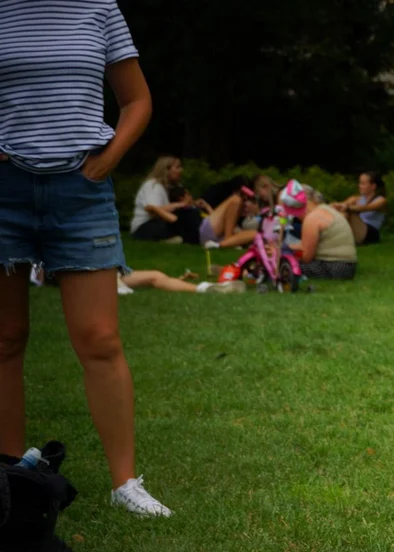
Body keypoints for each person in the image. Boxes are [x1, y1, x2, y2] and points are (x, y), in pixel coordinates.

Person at [0, 1, 171, 516]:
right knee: (5, 336)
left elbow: (137, 100)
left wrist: (108, 160)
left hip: (82, 190)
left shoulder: (98, 8)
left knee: (99, 337)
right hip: (4, 191)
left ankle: (125, 485)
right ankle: (9, 474)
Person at [129, 155, 209, 242]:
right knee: (185, 217)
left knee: (189, 214)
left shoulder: (169, 187)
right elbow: (154, 210)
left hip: (158, 223)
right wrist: (181, 205)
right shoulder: (153, 185)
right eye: (177, 167)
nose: (181, 170)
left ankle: (196, 237)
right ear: (166, 170)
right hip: (144, 228)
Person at [295, 186, 358, 279]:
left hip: (332, 266)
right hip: (348, 266)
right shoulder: (326, 209)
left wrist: (291, 255)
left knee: (292, 266)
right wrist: (290, 247)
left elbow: (306, 257)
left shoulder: (312, 218)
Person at [332, 171, 387, 245]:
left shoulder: (381, 200)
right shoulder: (356, 198)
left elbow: (367, 208)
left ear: (373, 186)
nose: (359, 186)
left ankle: (336, 238)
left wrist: (348, 207)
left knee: (347, 211)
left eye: (363, 184)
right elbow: (341, 205)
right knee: (341, 211)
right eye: (360, 183)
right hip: (358, 229)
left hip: (371, 233)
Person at [119, 269, 245, 295]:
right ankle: (117, 286)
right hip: (103, 274)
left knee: (156, 276)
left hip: (112, 271)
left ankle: (205, 288)